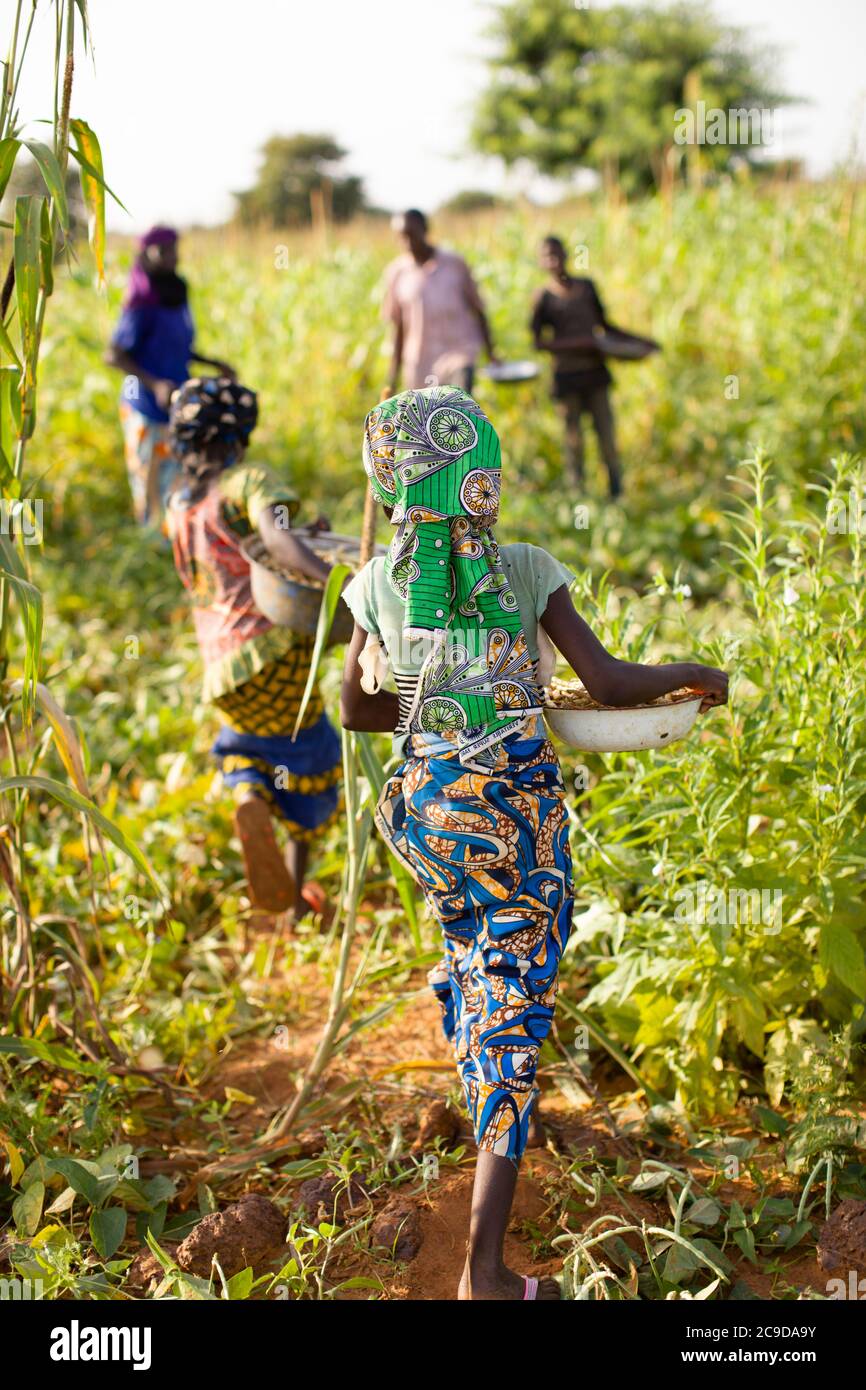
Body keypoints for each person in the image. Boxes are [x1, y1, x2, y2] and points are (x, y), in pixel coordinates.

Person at [340, 385, 728, 1300]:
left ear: (394, 481)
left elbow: (356, 708)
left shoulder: (376, 583)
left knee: (473, 949)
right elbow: (606, 679)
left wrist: (433, 695)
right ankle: (485, 1272)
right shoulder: (525, 567)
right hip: (513, 813)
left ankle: (482, 1088)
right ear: (483, 475)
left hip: (425, 812)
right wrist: (697, 674)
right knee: (515, 997)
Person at [166, 376, 341, 920]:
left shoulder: (180, 502)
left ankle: (247, 792)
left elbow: (243, 550)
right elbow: (279, 541)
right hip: (272, 649)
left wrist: (304, 533)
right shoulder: (248, 480)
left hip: (222, 670)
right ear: (240, 434)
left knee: (250, 742)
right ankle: (291, 895)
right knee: (310, 747)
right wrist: (338, 581)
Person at [106, 226, 236, 527]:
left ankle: (175, 539)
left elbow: (178, 346)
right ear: (146, 254)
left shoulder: (176, 293)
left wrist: (214, 363)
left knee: (178, 475)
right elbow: (114, 354)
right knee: (149, 476)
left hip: (176, 403)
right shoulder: (142, 302)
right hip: (146, 406)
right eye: (162, 250)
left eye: (173, 248)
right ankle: (150, 546)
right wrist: (154, 384)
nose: (171, 256)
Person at [531, 235, 623, 498]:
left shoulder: (587, 288)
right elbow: (538, 342)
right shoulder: (544, 298)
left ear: (566, 255)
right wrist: (578, 343)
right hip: (566, 377)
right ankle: (578, 495)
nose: (553, 261)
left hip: (595, 374)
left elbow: (606, 326)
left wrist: (637, 342)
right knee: (574, 440)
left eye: (556, 254)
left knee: (606, 437)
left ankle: (616, 492)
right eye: (547, 256)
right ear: (542, 262)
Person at [383, 209, 499, 396]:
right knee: (427, 420)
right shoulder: (397, 273)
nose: (408, 242)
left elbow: (478, 309)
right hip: (420, 361)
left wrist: (491, 352)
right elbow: (399, 327)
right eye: (402, 237)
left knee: (459, 408)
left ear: (425, 230)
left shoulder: (454, 264)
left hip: (458, 353)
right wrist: (393, 375)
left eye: (412, 235)